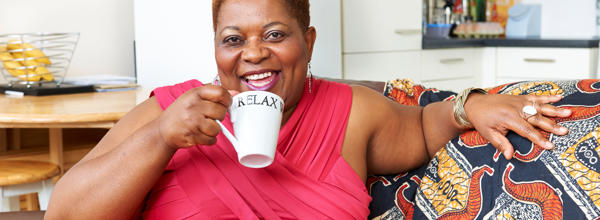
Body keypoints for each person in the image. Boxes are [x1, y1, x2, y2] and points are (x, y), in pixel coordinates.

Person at [45, 0, 572, 219]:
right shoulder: (172, 108)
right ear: (216, 49)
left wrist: (472, 105)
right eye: (233, 39)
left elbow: (421, 124)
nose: (253, 53)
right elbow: (66, 212)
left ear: (309, 41)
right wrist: (159, 137)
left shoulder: (352, 112)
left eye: (275, 35)